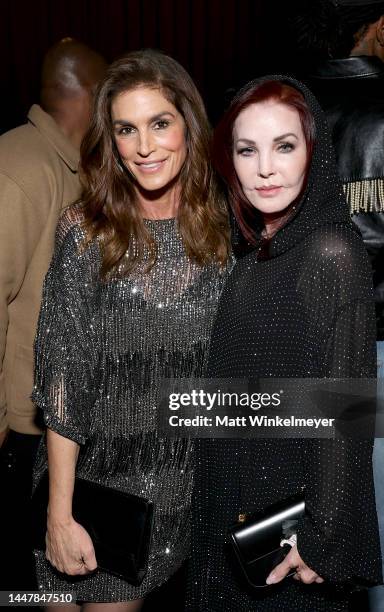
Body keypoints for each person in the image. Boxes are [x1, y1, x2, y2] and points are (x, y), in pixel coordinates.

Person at [31, 49, 230, 610]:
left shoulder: (223, 233)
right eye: (126, 129)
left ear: (189, 125)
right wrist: (60, 516)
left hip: (173, 487)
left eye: (160, 124)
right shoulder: (87, 232)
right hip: (87, 483)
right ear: (110, 140)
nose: (144, 147)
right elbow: (63, 380)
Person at [187, 76, 382, 612]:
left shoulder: (331, 253)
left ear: (313, 154)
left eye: (285, 146)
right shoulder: (258, 253)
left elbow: (349, 413)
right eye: (247, 150)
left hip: (288, 537)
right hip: (237, 506)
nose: (265, 168)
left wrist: (320, 540)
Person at [295, 2, 384, 608]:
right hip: (376, 347)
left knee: (294, 515)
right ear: (383, 26)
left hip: (293, 341)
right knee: (376, 521)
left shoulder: (285, 104)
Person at [0, 38, 106, 591]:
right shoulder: (17, 166)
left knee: (51, 579)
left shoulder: (75, 168)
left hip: (57, 429)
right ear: (89, 96)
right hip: (17, 434)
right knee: (18, 581)